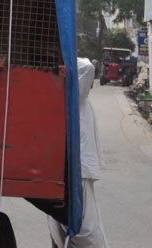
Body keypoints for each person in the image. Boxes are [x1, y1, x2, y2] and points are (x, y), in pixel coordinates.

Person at [48, 58, 109, 248]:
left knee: (65, 224)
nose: (92, 84)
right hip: (78, 171)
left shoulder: (79, 101)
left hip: (78, 170)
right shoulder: (74, 98)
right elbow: (87, 67)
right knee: (85, 229)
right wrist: (67, 53)